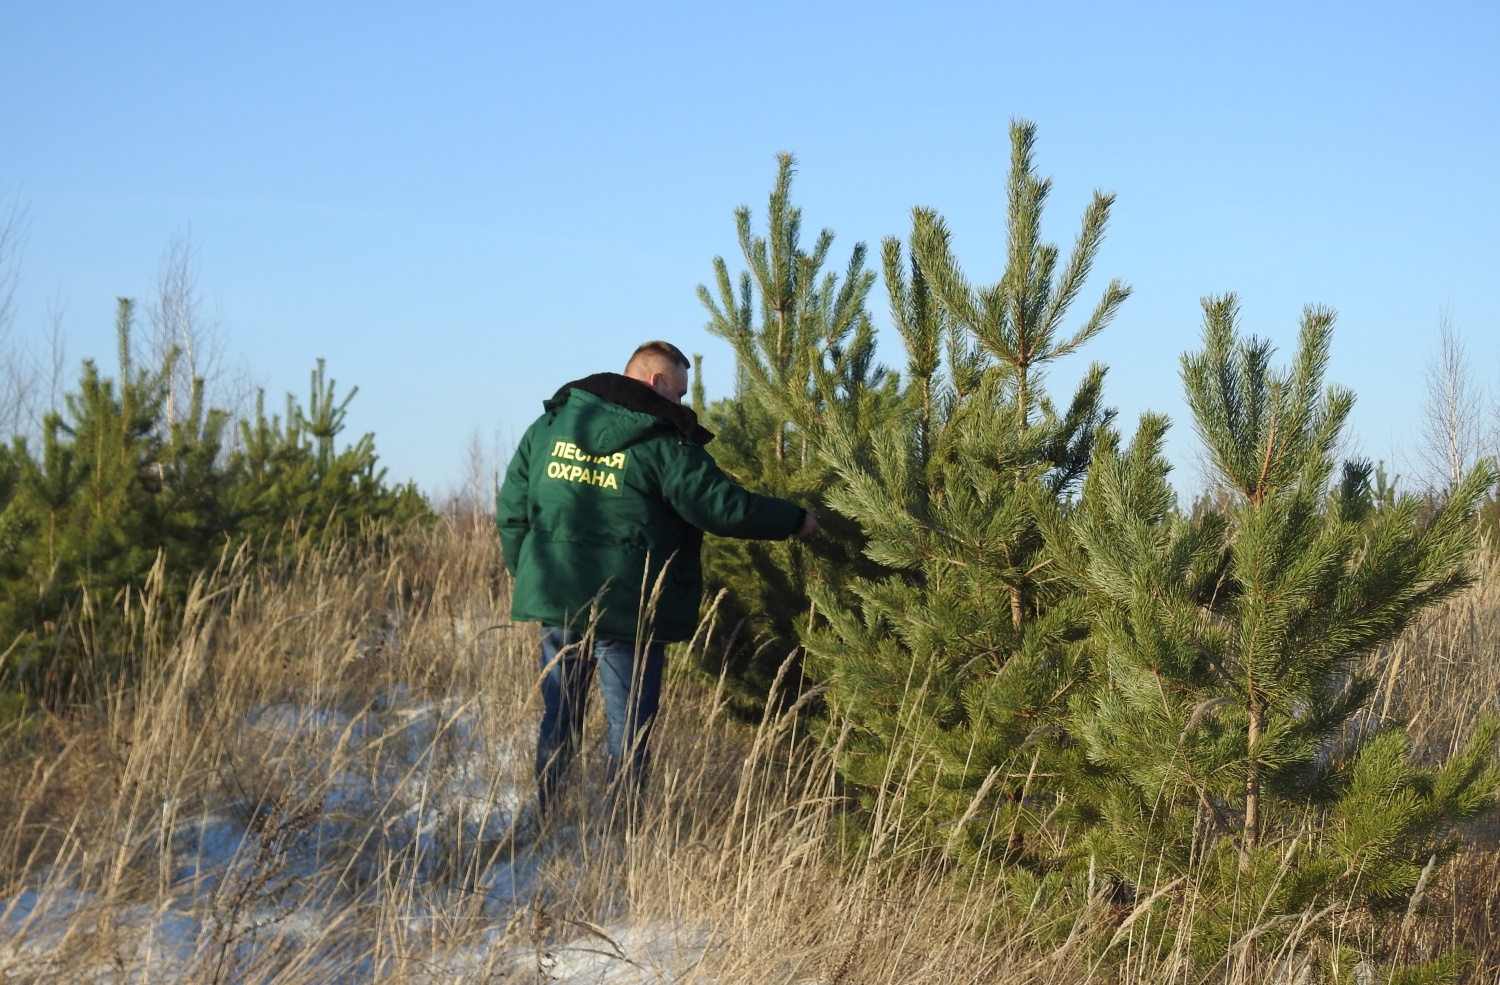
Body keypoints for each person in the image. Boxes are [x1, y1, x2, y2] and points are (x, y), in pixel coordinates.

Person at [496, 341, 818, 821]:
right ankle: (620, 832)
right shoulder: (662, 442)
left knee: (559, 716)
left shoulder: (549, 428)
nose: (681, 406)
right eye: (680, 394)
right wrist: (796, 520)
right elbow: (720, 507)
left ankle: (547, 816)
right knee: (628, 729)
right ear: (655, 382)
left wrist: (532, 575)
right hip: (631, 612)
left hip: (559, 602)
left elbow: (512, 507)